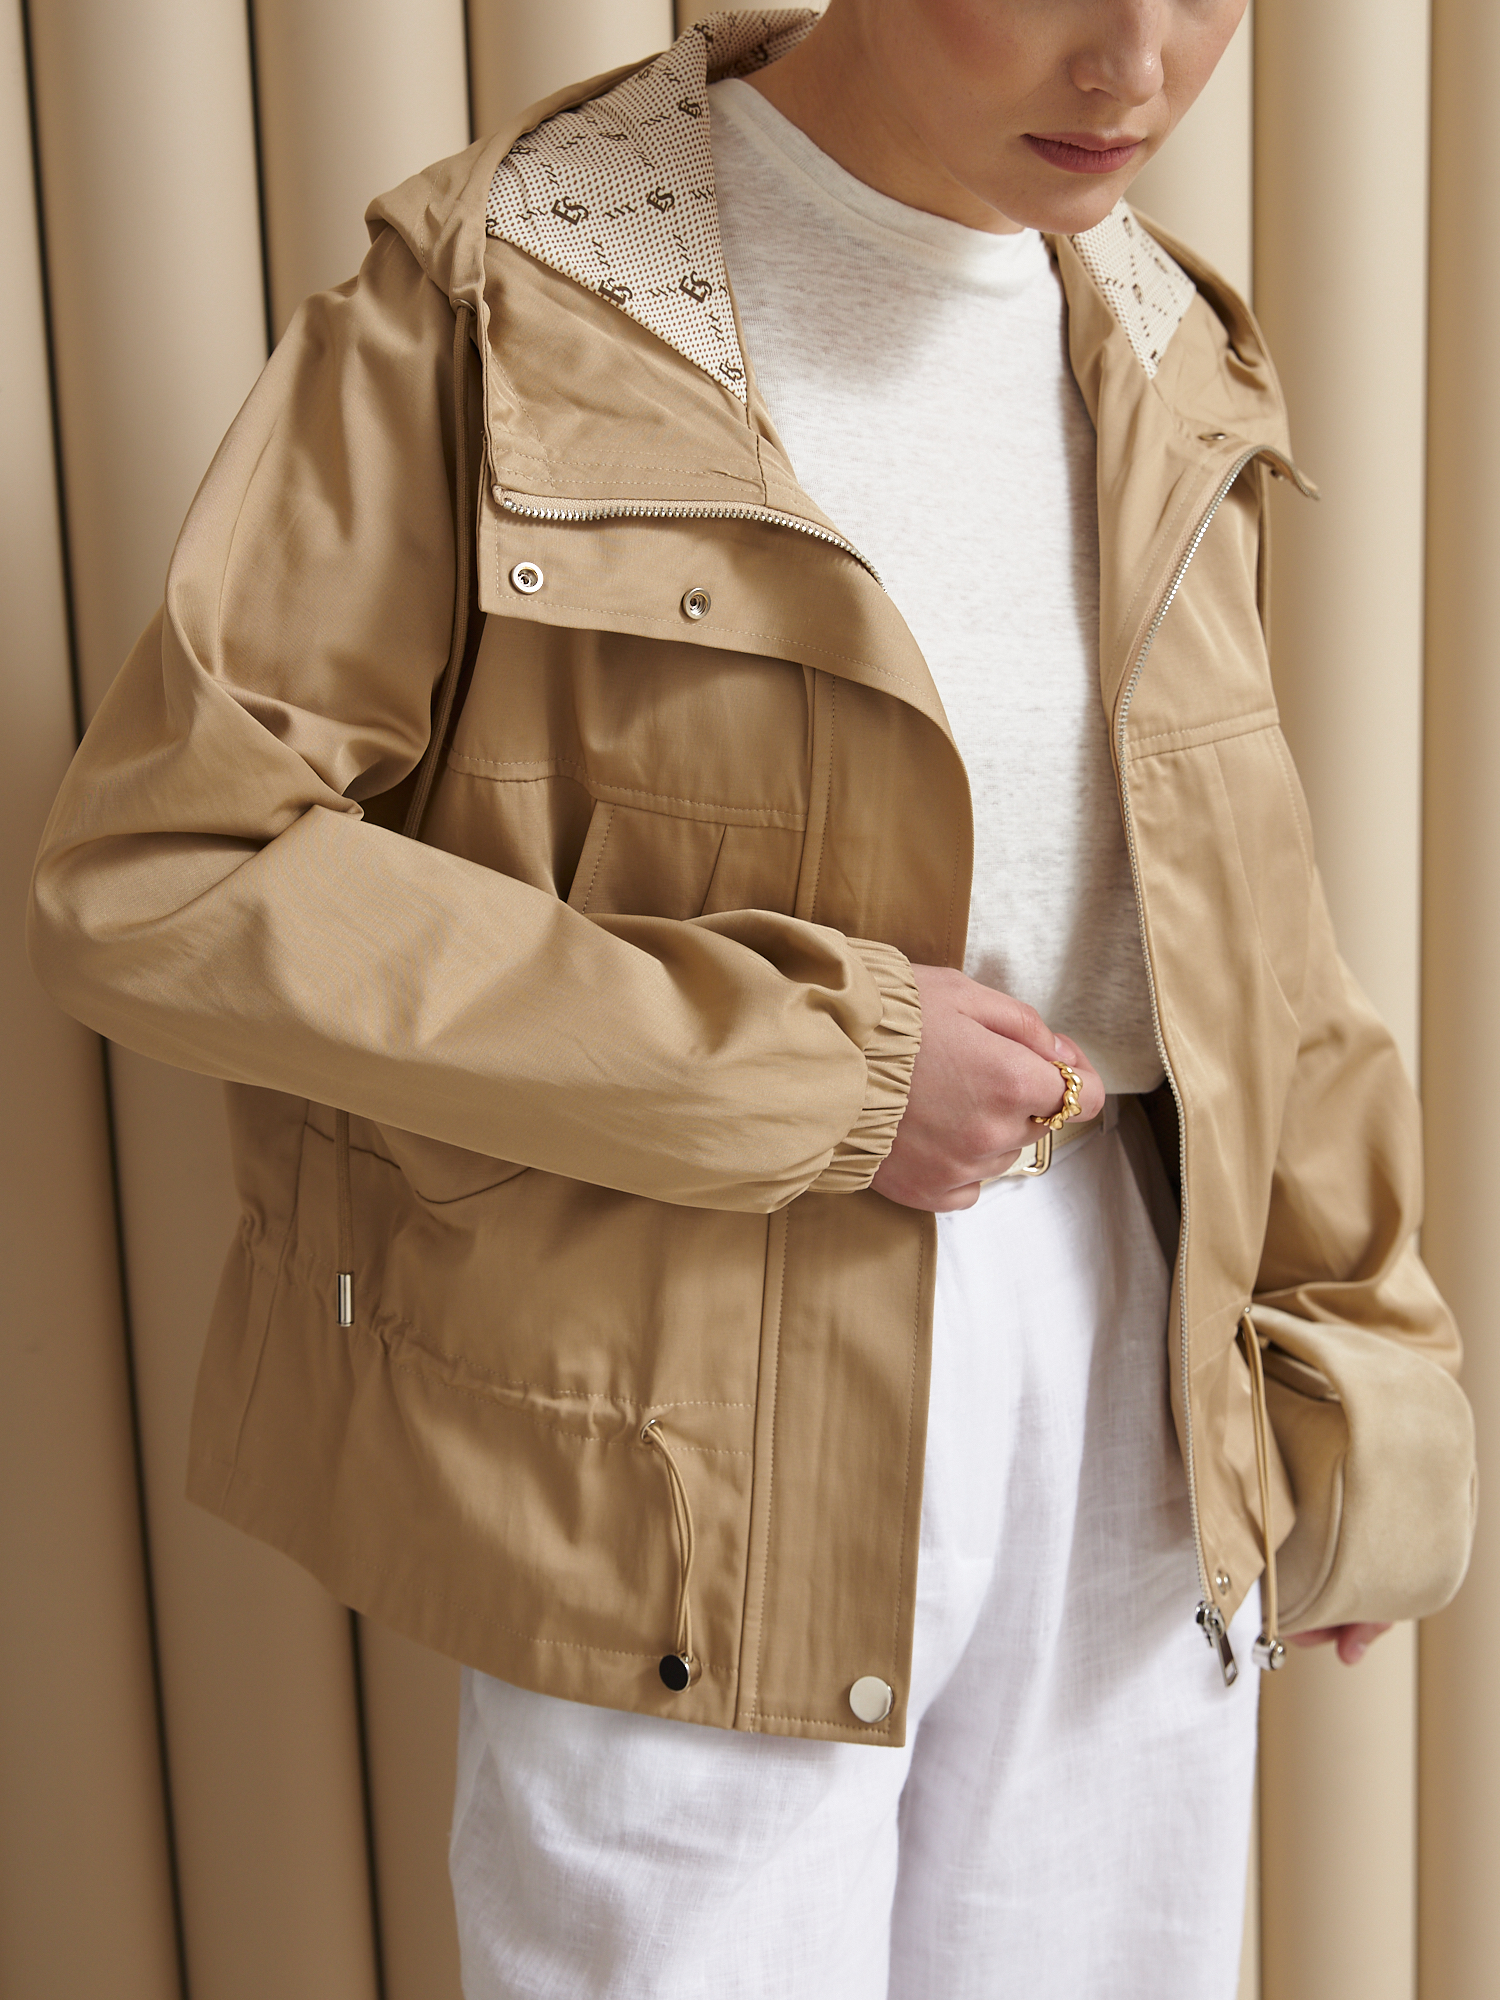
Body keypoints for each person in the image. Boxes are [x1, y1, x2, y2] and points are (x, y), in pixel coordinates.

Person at [29, 4, 1475, 1996]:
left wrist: (1359, 1375)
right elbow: (168, 870)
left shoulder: (1160, 339)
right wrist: (819, 1072)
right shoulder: (511, 296)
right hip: (679, 1370)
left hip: (1137, 1353)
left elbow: (1240, 920)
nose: (1136, 65)